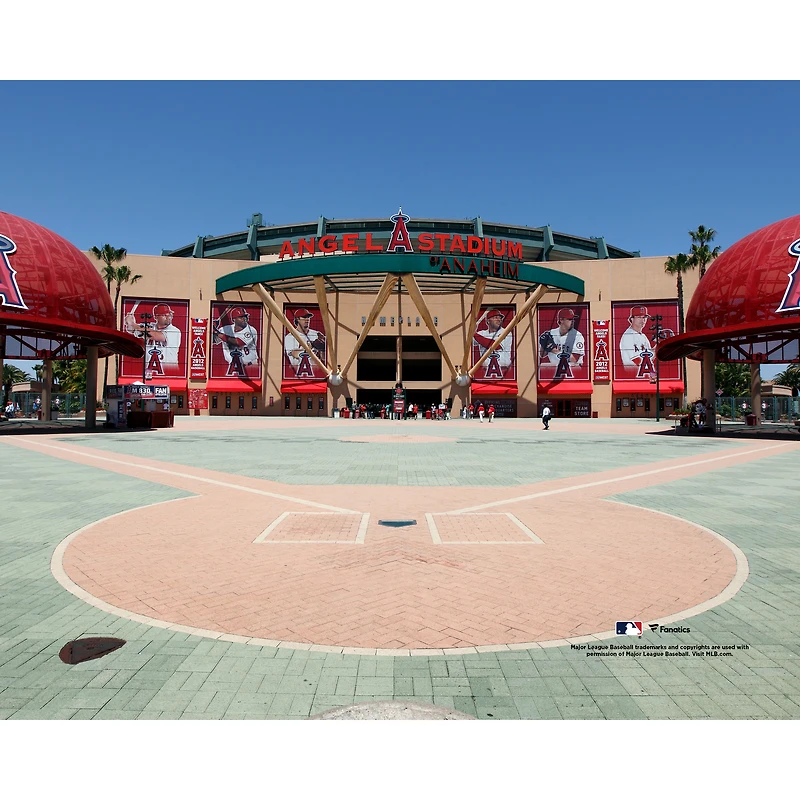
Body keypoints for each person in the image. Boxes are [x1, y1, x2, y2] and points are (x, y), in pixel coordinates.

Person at [125, 303, 182, 375]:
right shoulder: (150, 326)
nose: (168, 317)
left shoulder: (175, 331)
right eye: (164, 315)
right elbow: (131, 330)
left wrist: (133, 324)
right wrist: (129, 322)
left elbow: (154, 335)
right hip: (149, 374)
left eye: (169, 314)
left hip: (169, 373)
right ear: (156, 317)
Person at [538, 308, 585, 378]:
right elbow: (542, 355)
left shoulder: (577, 335)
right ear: (561, 320)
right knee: (542, 367)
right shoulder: (551, 333)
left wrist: (555, 350)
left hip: (573, 371)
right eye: (570, 319)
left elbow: (575, 359)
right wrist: (543, 345)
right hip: (555, 371)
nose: (572, 321)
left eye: (573, 319)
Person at [214, 306, 259, 377]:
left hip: (250, 366)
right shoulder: (225, 329)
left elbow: (238, 343)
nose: (244, 318)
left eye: (245, 316)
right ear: (233, 319)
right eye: (241, 317)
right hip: (231, 366)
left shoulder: (251, 330)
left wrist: (217, 332)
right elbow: (213, 340)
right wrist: (212, 328)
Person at [284, 308, 326, 378]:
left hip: (317, 373)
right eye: (304, 317)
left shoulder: (316, 334)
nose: (307, 319)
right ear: (297, 319)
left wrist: (323, 349)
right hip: (297, 373)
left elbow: (324, 358)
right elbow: (294, 354)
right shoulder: (290, 337)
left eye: (308, 317)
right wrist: (310, 347)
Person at [472, 308, 512, 379]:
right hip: (484, 371)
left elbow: (495, 345)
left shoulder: (506, 332)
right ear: (488, 321)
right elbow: (469, 342)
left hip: (505, 371)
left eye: (500, 318)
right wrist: (472, 330)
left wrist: (474, 334)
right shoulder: (482, 333)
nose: (499, 320)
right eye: (496, 317)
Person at [619, 306, 656, 377]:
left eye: (644, 317)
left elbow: (649, 359)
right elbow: (637, 361)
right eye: (639, 317)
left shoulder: (643, 336)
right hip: (632, 376)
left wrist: (656, 349)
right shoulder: (628, 336)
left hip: (643, 375)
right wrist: (654, 352)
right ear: (632, 319)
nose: (643, 320)